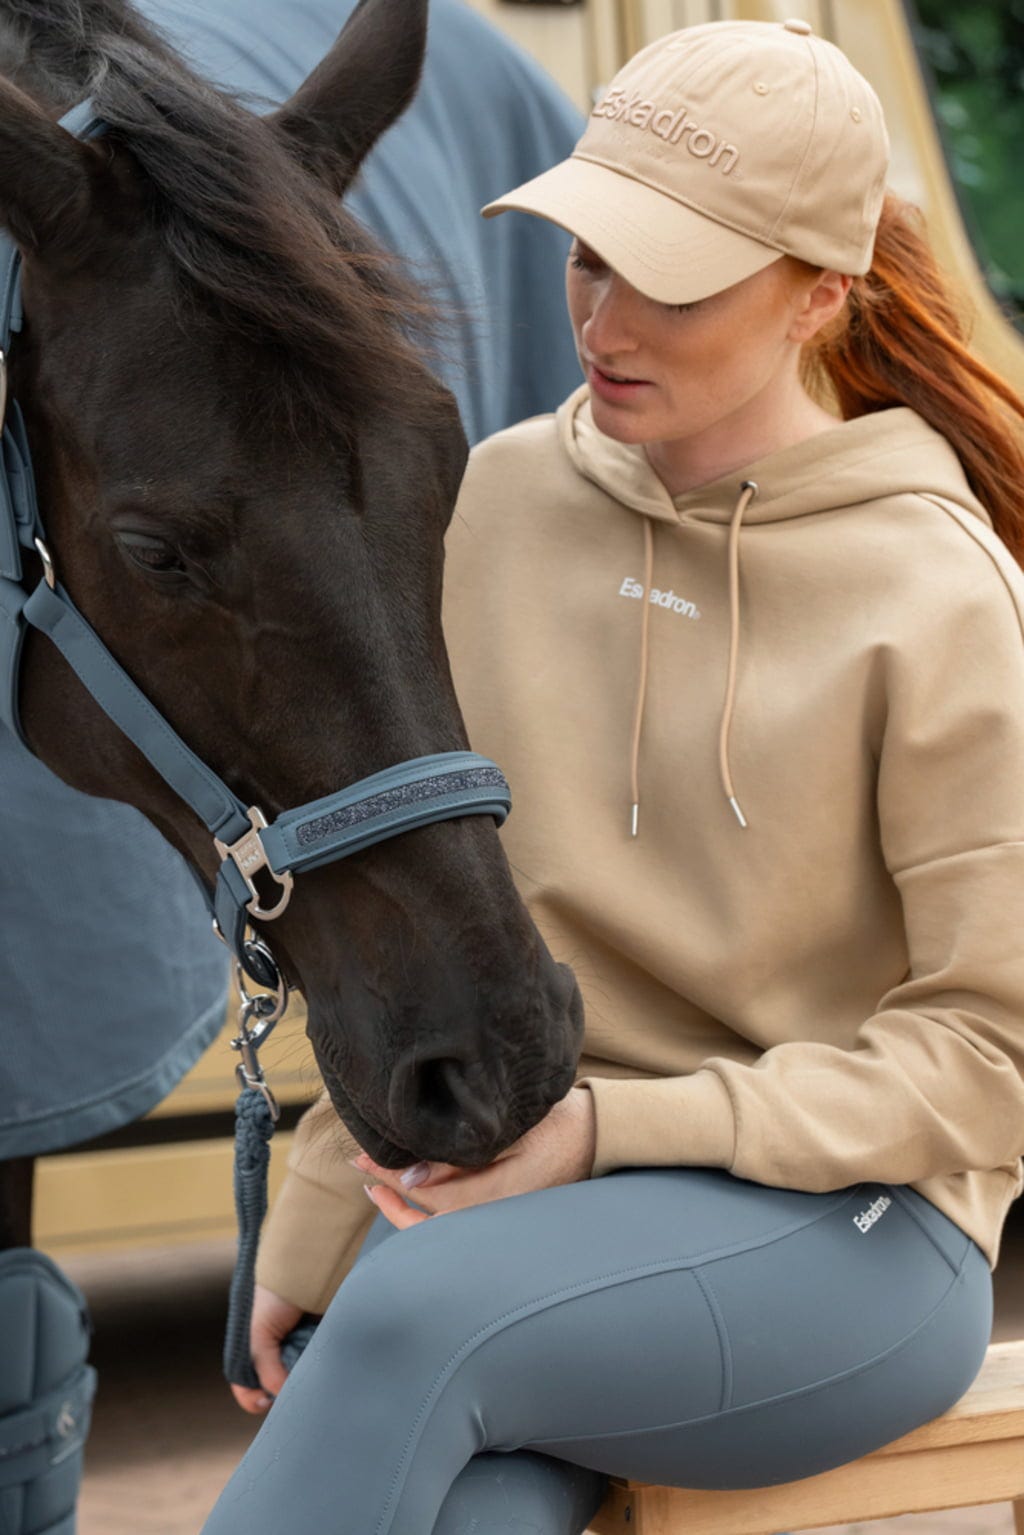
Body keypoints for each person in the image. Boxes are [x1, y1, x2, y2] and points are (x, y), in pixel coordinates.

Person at [202, 19, 1024, 1535]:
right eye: (588, 257)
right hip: (528, 1208)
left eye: (675, 283)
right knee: (469, 1502)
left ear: (820, 295)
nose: (606, 319)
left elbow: (991, 1057)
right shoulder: (499, 499)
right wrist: (315, 1211)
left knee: (412, 1320)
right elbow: (413, 913)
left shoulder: (937, 588)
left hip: (857, 1231)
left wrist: (608, 1134)